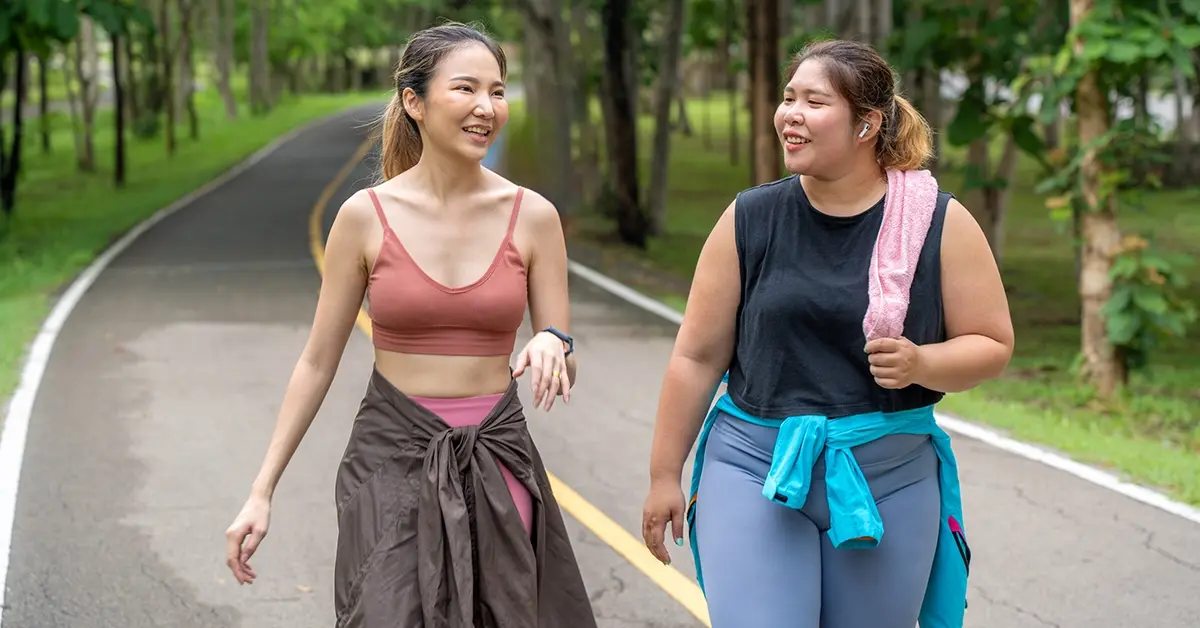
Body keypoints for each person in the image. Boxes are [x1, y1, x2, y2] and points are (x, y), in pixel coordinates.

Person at [223, 22, 597, 628]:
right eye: (466, 89)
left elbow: (562, 348)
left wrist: (555, 341)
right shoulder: (364, 218)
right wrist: (261, 490)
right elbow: (318, 360)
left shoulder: (533, 217)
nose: (486, 107)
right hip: (389, 456)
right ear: (414, 102)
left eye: (498, 92)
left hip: (496, 459)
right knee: (383, 613)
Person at [640, 39, 1014, 628]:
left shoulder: (941, 222)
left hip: (889, 476)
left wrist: (922, 364)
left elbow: (992, 345)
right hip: (754, 467)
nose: (791, 114)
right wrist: (666, 474)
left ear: (867, 124)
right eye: (789, 98)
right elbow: (696, 354)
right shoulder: (750, 217)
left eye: (814, 102)